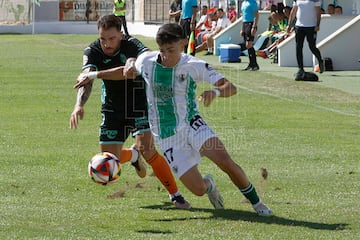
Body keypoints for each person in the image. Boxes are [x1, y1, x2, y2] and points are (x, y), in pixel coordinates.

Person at [74, 23, 274, 216]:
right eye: (162, 50)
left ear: (183, 44)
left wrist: (215, 92)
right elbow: (125, 71)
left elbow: (230, 87)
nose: (165, 55)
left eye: (171, 50)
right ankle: (209, 185)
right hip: (167, 136)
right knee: (198, 189)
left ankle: (257, 204)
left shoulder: (194, 65)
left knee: (225, 162)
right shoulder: (147, 62)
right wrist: (94, 75)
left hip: (192, 123)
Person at [69, 15, 190, 209]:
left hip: (139, 102)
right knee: (109, 160)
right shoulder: (92, 51)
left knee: (148, 150)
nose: (107, 44)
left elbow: (145, 58)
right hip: (112, 106)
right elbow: (86, 79)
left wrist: (135, 60)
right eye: (103, 39)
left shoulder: (132, 44)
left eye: (112, 38)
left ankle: (175, 195)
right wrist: (79, 105)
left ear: (121, 35)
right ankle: (133, 156)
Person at [286, 0, 324, 78]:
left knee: (312, 47)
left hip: (311, 26)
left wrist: (317, 24)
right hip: (299, 26)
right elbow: (293, 11)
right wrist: (289, 25)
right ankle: (300, 68)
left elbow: (318, 12)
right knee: (298, 47)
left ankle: (320, 61)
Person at [240, 0, 260, 71]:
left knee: (249, 44)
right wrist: (242, 29)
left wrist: (254, 26)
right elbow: (243, 16)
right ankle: (251, 64)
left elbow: (256, 15)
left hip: (250, 24)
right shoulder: (243, 3)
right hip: (245, 24)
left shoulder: (252, 2)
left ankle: (254, 64)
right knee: (247, 45)